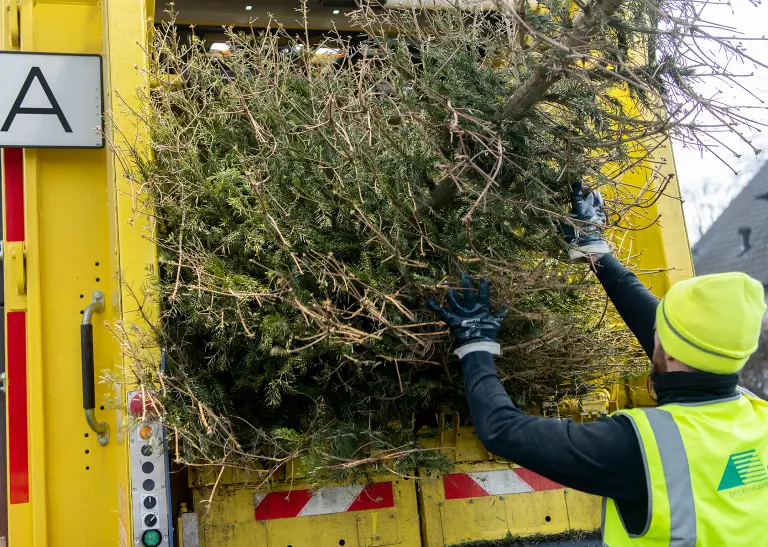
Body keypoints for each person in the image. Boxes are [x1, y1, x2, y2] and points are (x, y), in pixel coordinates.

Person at [427, 183, 768, 546]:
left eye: (660, 331)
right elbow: (675, 332)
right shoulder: (756, 417)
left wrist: (475, 340)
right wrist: (593, 247)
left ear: (668, 351)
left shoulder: (639, 449)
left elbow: (502, 431)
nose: (653, 329)